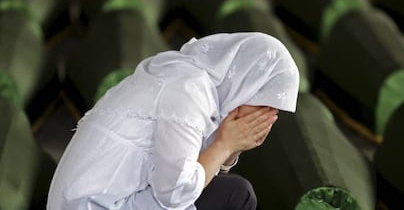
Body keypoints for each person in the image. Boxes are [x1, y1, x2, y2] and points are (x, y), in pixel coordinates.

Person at [47, 32, 300, 210]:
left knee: (227, 189)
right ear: (247, 84)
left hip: (97, 199)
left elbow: (195, 168)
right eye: (264, 104)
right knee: (238, 194)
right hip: (94, 205)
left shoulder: (194, 82)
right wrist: (224, 145)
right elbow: (175, 193)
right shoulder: (189, 92)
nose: (267, 116)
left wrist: (230, 147)